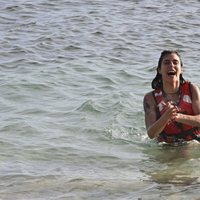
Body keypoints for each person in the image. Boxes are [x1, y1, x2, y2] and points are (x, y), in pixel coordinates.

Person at [143, 50, 200, 144]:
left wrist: (177, 116)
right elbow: (151, 133)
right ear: (159, 70)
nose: (171, 65)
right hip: (166, 146)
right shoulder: (150, 98)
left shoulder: (192, 89)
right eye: (166, 62)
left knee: (186, 151)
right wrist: (165, 117)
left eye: (175, 62)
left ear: (181, 69)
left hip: (193, 141)